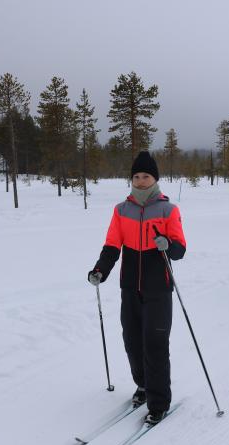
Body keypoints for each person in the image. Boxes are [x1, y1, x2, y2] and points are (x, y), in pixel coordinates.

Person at [88, 151, 187, 426]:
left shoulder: (168, 209)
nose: (141, 181)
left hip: (158, 287)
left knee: (155, 344)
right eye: (136, 176)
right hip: (130, 286)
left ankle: (159, 402)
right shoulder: (121, 210)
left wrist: (168, 243)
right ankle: (143, 386)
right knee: (132, 341)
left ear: (155, 178)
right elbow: (111, 245)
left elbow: (180, 249)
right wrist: (100, 270)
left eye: (146, 176)